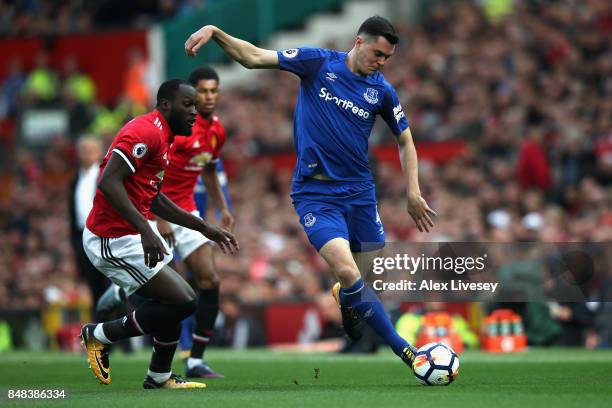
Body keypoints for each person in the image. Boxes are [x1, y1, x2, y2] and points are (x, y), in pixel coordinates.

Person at [184, 16, 436, 369]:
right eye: (378, 54)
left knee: (366, 279)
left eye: (387, 58)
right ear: (359, 42)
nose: (381, 63)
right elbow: (254, 57)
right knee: (350, 275)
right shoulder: (318, 63)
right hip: (315, 196)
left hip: (361, 194)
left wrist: (413, 192)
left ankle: (346, 300)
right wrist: (215, 32)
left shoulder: (381, 91)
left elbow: (405, 140)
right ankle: (408, 353)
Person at [80, 79, 238, 390]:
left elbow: (154, 198)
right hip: (110, 239)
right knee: (183, 300)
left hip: (132, 234)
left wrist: (204, 227)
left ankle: (159, 377)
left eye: (195, 105)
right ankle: (97, 335)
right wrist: (145, 229)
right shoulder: (145, 131)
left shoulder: (165, 138)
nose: (194, 111)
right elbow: (109, 181)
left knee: (175, 298)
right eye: (188, 104)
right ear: (166, 104)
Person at [155, 66, 233, 378]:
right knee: (172, 293)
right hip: (154, 213)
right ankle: (159, 364)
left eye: (214, 91)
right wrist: (160, 217)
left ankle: (196, 360)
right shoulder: (177, 130)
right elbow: (151, 170)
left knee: (210, 280)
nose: (209, 97)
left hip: (187, 213)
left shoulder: (217, 131)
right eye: (203, 91)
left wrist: (223, 208)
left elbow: (210, 168)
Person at [69, 136, 109, 319]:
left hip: (104, 237)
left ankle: (124, 342)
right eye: (84, 150)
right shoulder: (75, 178)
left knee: (110, 286)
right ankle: (98, 336)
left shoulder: (105, 174)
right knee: (93, 288)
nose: (87, 154)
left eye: (91, 150)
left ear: (99, 152)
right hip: (82, 238)